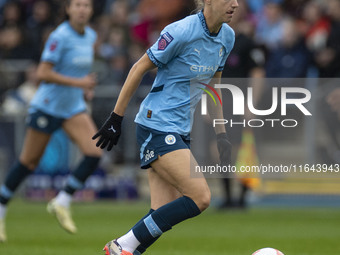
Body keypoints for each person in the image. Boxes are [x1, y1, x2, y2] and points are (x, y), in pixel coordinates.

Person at [93, 0, 238, 254]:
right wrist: (116, 118)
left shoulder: (227, 37)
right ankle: (120, 246)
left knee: (160, 213)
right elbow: (138, 68)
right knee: (200, 197)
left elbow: (214, 87)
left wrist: (221, 134)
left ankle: (128, 249)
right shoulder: (180, 31)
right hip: (156, 124)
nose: (235, 4)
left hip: (180, 129)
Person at [0, 0, 101, 242]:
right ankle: (1, 209)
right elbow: (43, 73)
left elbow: (79, 73)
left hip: (72, 107)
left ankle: (62, 200)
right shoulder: (60, 36)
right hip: (48, 106)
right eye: (77, 5)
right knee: (28, 163)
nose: (82, 9)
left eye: (86, 5)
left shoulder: (91, 36)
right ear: (68, 9)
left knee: (95, 152)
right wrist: (79, 84)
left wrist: (85, 89)